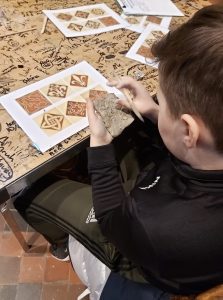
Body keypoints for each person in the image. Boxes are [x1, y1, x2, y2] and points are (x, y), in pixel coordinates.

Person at [14, 4, 223, 298]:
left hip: (142, 260)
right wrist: (153, 112)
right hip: (171, 211)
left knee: (28, 193)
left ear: (189, 131)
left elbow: (112, 218)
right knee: (128, 129)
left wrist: (99, 144)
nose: (157, 105)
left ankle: (67, 247)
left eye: (163, 102)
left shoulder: (163, 227)